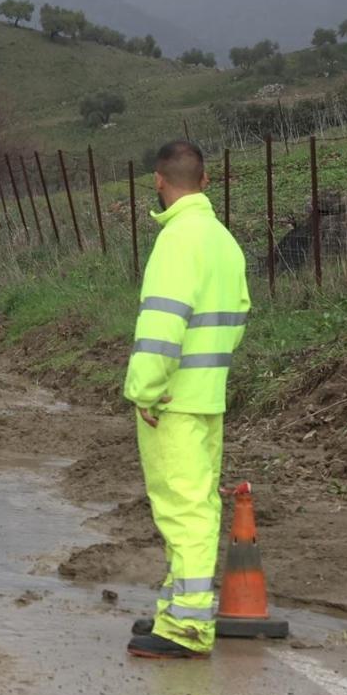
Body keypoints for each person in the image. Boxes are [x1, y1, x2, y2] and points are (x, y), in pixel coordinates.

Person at [124, 140, 251, 660]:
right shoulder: (223, 240)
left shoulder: (177, 240)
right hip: (208, 394)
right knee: (197, 505)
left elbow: (162, 324)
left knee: (183, 512)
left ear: (158, 181)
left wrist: (145, 389)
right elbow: (238, 315)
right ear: (205, 180)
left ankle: (187, 626)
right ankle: (176, 610)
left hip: (172, 400)